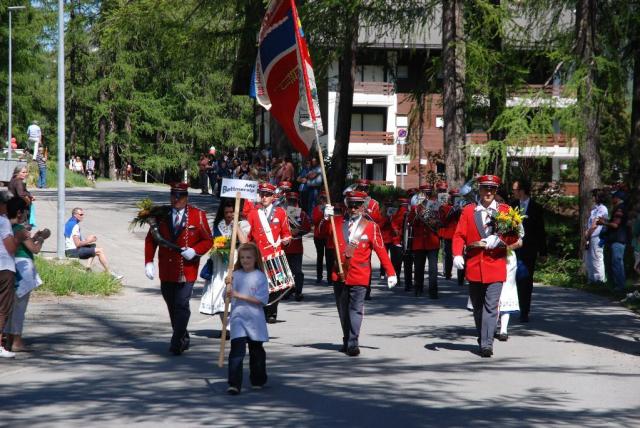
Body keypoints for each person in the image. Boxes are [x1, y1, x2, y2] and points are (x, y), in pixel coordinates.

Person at [321, 190, 397, 356]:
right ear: (346, 205)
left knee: (355, 309)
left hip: (359, 274)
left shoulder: (370, 226)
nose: (353, 208)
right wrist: (326, 219)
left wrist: (391, 273)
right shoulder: (336, 222)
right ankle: (347, 338)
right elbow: (321, 234)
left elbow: (381, 250)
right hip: (340, 273)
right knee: (342, 310)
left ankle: (353, 342)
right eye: (350, 205)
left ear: (363, 206)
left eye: (357, 205)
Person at [453, 174, 518, 358]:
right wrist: (457, 253)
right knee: (478, 308)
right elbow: (459, 235)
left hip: (496, 265)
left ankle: (487, 344)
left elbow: (514, 237)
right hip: (474, 265)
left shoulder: (505, 210)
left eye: (492, 189)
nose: (488, 192)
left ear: (496, 191)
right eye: (485, 188)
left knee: (491, 306)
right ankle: (483, 337)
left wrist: (499, 239)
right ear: (479, 190)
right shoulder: (468, 211)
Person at [144, 183, 212, 355]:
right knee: (172, 305)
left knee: (181, 304)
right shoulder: (161, 214)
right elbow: (151, 239)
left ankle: (176, 341)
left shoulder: (198, 215)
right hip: (166, 269)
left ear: (186, 197)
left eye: (180, 196)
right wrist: (148, 261)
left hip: (186, 269)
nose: (176, 199)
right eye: (173, 195)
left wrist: (195, 251)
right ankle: (183, 335)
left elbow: (208, 240)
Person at [4, 197, 48, 352]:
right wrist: (42, 238)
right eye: (25, 211)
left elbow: (24, 243)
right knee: (19, 307)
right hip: (23, 268)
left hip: (9, 265)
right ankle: (16, 341)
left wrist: (34, 238)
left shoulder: (5, 226)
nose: (26, 214)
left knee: (8, 307)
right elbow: (34, 249)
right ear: (19, 212)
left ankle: (8, 340)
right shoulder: (20, 229)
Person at [245, 182, 292, 323]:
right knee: (260, 285)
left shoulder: (280, 213)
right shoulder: (253, 213)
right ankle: (262, 310)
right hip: (259, 255)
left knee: (276, 285)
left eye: (268, 195)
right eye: (262, 194)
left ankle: (272, 311)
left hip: (275, 255)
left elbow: (286, 234)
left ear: (273, 197)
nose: (264, 197)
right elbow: (248, 235)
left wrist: (286, 241)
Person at [226, 243, 269, 395]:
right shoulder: (235, 275)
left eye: (249, 257)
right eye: (242, 257)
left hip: (254, 319)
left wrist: (238, 295)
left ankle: (258, 379)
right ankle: (234, 383)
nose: (245, 260)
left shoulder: (260, 276)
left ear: (255, 258)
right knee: (236, 352)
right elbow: (228, 296)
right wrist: (228, 287)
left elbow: (261, 299)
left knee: (256, 351)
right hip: (238, 317)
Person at [511, 179, 547, 323]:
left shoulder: (536, 208)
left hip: (529, 249)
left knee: (526, 279)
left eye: (515, 189)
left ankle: (524, 311)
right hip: (513, 249)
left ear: (522, 190)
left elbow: (540, 231)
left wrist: (543, 251)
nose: (513, 192)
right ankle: (513, 305)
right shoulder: (511, 206)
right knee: (514, 278)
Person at [199, 200, 236, 336]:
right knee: (219, 296)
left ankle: (231, 328)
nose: (229, 215)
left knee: (229, 295)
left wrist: (235, 227)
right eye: (226, 212)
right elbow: (212, 241)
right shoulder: (217, 225)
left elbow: (244, 242)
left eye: (231, 212)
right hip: (218, 264)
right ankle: (226, 328)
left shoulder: (239, 224)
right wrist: (218, 246)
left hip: (233, 262)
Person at [64, 208, 122, 279]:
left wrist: (87, 240)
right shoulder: (75, 226)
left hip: (70, 250)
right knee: (99, 251)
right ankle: (109, 273)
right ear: (75, 215)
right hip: (73, 252)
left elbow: (72, 240)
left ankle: (88, 268)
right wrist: (89, 240)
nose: (83, 216)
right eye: (81, 214)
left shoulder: (69, 223)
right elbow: (77, 244)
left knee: (93, 246)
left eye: (83, 214)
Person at [407, 184, 441, 298]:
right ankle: (418, 288)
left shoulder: (437, 205)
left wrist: (435, 222)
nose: (426, 196)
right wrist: (417, 215)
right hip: (419, 242)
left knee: (433, 269)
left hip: (432, 242)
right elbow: (410, 222)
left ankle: (433, 291)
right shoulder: (415, 207)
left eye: (429, 194)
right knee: (418, 268)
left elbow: (442, 221)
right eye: (424, 194)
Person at [282, 192, 311, 301]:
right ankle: (287, 291)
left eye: (294, 201)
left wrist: (299, 231)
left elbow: (307, 228)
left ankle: (298, 291)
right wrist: (290, 232)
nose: (292, 203)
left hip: (297, 247)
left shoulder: (302, 214)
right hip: (285, 246)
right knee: (285, 271)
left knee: (297, 271)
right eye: (290, 201)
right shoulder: (282, 213)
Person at [598, 190, 628, 291]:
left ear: (618, 198)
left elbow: (615, 225)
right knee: (615, 263)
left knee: (617, 263)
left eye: (613, 197)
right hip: (616, 239)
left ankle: (620, 286)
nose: (612, 199)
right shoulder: (618, 208)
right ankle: (616, 285)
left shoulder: (620, 209)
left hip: (618, 240)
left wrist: (604, 223)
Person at [0, 191, 18, 358]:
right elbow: (10, 247)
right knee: (3, 308)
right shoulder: (3, 222)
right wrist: (18, 237)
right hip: (4, 267)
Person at [584, 189, 608, 284]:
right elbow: (590, 223)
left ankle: (600, 280)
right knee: (589, 259)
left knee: (597, 258)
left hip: (597, 236)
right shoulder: (594, 209)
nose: (593, 198)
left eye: (594, 196)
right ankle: (591, 280)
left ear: (598, 197)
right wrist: (587, 233)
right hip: (591, 236)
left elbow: (595, 223)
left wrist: (588, 233)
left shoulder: (602, 208)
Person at [312, 191, 330, 284]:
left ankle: (330, 277)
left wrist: (328, 212)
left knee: (329, 257)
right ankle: (319, 276)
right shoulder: (316, 209)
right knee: (320, 256)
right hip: (318, 236)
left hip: (327, 236)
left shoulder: (330, 209)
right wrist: (321, 213)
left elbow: (332, 222)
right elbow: (315, 221)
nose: (323, 201)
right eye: (322, 198)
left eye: (325, 199)